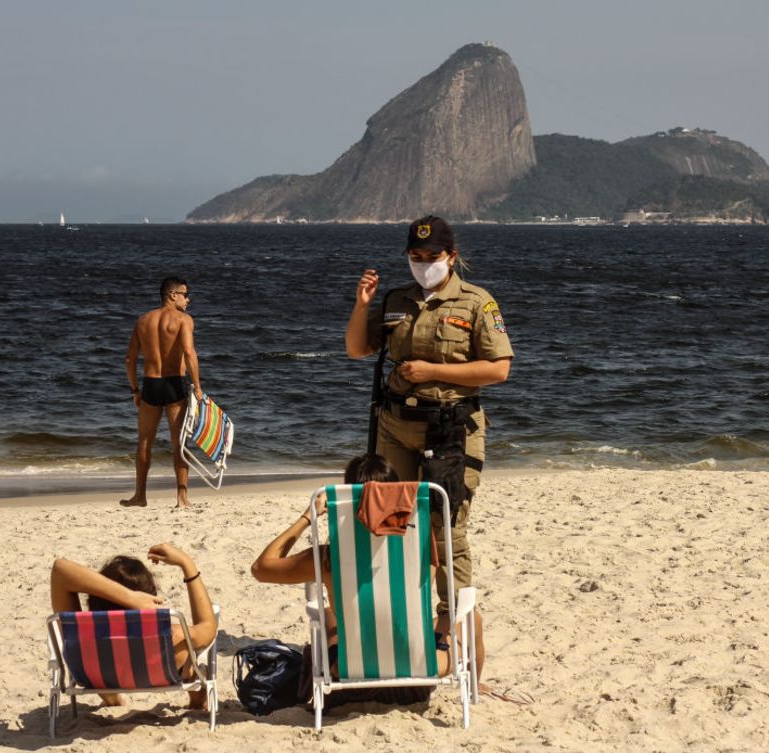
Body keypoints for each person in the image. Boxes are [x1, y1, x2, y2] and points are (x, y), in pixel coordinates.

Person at [343, 215, 513, 635]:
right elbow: (356, 350)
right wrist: (362, 304)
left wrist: (434, 371)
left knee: (445, 527)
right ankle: (398, 616)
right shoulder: (397, 300)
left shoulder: (477, 303)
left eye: (431, 256)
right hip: (395, 425)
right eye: (415, 257)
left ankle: (450, 624)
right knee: (387, 518)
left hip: (451, 430)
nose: (423, 263)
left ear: (451, 256)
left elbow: (498, 369)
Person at [250, 453, 484, 709]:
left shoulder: (330, 557)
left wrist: (308, 518)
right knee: (472, 617)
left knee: (328, 614)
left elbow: (261, 568)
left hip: (349, 668)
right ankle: (474, 691)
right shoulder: (419, 546)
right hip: (422, 665)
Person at [50, 542, 217, 709]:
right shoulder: (174, 638)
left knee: (106, 662)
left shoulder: (83, 639)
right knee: (192, 664)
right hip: (157, 669)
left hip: (97, 675)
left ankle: (113, 700)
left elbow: (60, 569)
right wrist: (187, 563)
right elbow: (208, 627)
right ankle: (197, 702)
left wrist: (128, 597)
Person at [121, 276, 203, 508]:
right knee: (179, 443)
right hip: (174, 384)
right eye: (185, 295)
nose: (188, 299)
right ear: (172, 295)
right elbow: (189, 352)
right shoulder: (184, 320)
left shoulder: (143, 320)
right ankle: (182, 497)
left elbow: (129, 359)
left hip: (150, 385)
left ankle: (140, 496)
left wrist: (135, 389)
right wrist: (197, 386)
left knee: (144, 443)